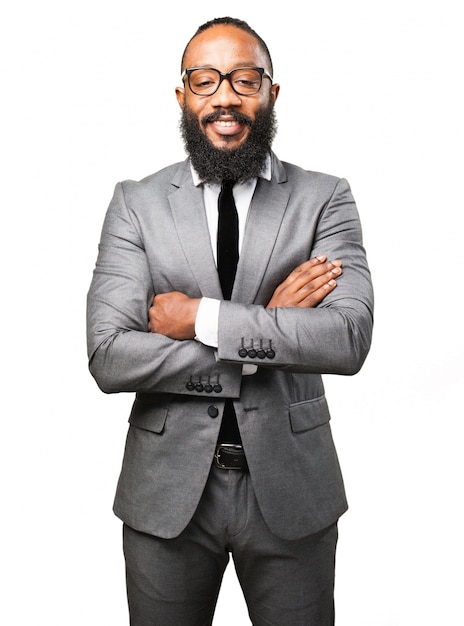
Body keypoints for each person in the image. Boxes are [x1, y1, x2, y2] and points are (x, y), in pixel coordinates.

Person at [87, 16, 374, 626]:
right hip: (165, 498)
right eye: (205, 80)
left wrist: (204, 318)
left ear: (271, 92)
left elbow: (347, 339)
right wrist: (270, 325)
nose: (225, 97)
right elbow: (110, 356)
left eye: (245, 80)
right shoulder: (135, 204)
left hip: (294, 493)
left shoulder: (324, 197)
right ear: (183, 95)